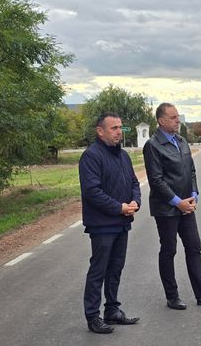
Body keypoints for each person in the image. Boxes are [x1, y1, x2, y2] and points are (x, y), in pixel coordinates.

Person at [143, 103, 201, 310]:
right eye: (173, 118)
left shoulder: (181, 141)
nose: (178, 121)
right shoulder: (153, 145)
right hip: (167, 209)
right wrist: (177, 202)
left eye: (178, 117)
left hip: (187, 205)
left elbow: (191, 171)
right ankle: (172, 296)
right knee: (169, 250)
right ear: (161, 121)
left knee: (194, 247)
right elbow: (156, 180)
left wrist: (194, 193)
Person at [79, 112, 141, 334]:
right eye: (114, 128)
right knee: (99, 270)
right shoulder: (91, 156)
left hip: (122, 222)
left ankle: (112, 309)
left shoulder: (123, 155)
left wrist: (135, 201)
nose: (119, 132)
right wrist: (119, 208)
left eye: (120, 128)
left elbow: (134, 182)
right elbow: (92, 192)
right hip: (102, 224)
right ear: (100, 131)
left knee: (116, 268)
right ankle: (92, 316)